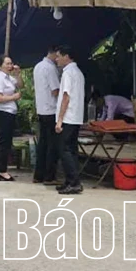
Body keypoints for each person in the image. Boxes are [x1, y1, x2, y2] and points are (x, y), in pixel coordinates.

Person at [54, 44, 85, 195]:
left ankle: (74, 182)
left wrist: (60, 119)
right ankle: (70, 180)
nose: (56, 59)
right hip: (76, 116)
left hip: (68, 117)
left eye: (59, 56)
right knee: (72, 150)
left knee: (64, 150)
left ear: (66, 57)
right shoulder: (78, 72)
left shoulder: (68, 73)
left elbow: (66, 96)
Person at [0, 54, 23, 181]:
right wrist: (13, 97)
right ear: (0, 65)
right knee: (4, 142)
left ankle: (2, 169)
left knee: (8, 142)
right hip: (3, 112)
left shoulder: (8, 77)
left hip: (10, 112)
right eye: (7, 64)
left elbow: (20, 85)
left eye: (11, 63)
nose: (10, 66)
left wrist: (18, 74)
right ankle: (1, 170)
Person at [32, 45, 61, 184]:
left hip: (41, 109)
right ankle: (49, 176)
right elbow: (55, 90)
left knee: (43, 143)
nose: (58, 58)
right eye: (58, 55)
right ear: (54, 53)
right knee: (52, 145)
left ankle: (38, 174)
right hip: (51, 109)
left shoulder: (38, 66)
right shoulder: (50, 68)